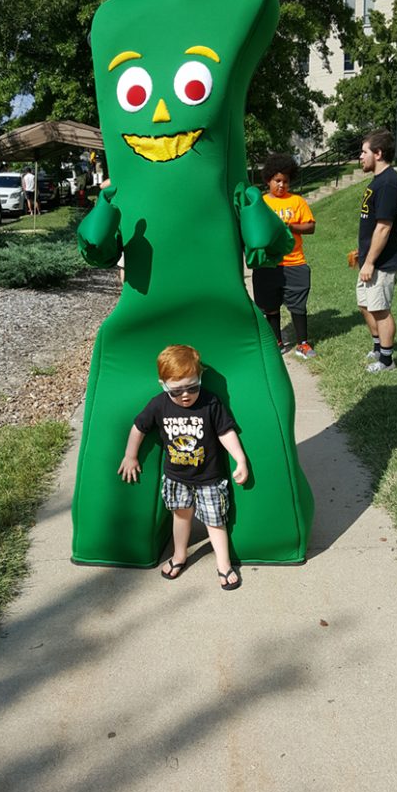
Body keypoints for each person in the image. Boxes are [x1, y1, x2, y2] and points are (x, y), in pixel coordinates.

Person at [118, 344, 248, 591]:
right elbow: (139, 428)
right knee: (181, 516)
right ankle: (179, 556)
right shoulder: (159, 405)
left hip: (209, 477)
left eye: (192, 387)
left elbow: (225, 432)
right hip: (177, 477)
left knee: (215, 521)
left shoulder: (210, 402)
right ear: (163, 385)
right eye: (176, 391)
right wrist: (130, 456)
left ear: (200, 379)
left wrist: (240, 459)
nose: (185, 395)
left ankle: (224, 564)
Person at [252, 153, 316, 358]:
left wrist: (290, 226)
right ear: (268, 180)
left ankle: (302, 344)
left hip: (294, 262)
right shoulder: (260, 204)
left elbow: (311, 226)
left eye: (285, 181)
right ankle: (277, 341)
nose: (281, 185)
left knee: (298, 305)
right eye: (277, 180)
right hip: (268, 264)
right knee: (270, 307)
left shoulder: (297, 201)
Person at [356, 128, 397, 373]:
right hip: (370, 257)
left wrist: (370, 261)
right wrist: (362, 252)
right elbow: (371, 223)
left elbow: (384, 228)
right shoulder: (379, 181)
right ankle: (378, 348)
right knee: (365, 305)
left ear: (378, 153)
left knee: (380, 309)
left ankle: (387, 361)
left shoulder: (388, 183)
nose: (360, 157)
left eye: (364, 152)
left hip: (383, 261)